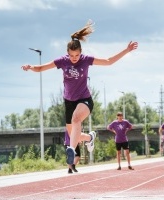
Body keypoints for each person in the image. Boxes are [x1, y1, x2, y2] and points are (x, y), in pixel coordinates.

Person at [21, 20, 138, 166]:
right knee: (73, 134)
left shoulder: (86, 60)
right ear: (67, 53)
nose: (74, 58)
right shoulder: (62, 61)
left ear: (80, 53)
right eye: (71, 56)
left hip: (84, 99)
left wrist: (126, 50)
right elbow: (41, 68)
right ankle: (89, 138)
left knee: (76, 120)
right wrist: (30, 66)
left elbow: (108, 61)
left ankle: (71, 150)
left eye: (76, 55)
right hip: (69, 101)